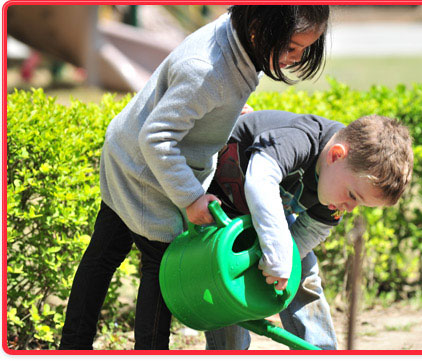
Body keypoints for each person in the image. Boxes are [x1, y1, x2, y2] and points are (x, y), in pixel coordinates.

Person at [59, 5, 330, 350]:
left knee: (103, 255)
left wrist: (225, 113)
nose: (297, 56)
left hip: (129, 150)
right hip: (146, 170)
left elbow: (196, 103)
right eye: (292, 47)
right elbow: (157, 137)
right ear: (259, 27)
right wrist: (190, 197)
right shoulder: (207, 69)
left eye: (307, 47)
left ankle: (71, 346)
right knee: (160, 266)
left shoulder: (239, 43)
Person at [202, 110, 414, 350]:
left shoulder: (336, 187)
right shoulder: (301, 138)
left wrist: (283, 266)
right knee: (226, 289)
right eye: (353, 195)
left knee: (302, 275)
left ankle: (320, 350)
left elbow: (310, 232)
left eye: (359, 203)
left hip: (264, 217)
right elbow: (260, 180)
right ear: (336, 155)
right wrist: (277, 253)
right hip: (215, 209)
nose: (351, 208)